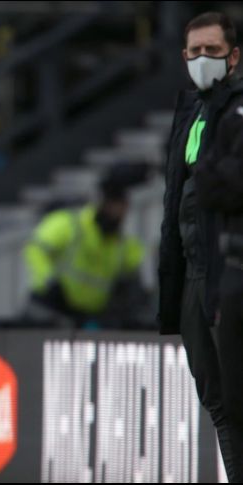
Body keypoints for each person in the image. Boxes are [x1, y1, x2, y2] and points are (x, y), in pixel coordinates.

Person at [158, 11, 243, 481]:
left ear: (234, 57)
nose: (203, 60)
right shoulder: (189, 111)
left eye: (213, 51)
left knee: (236, 398)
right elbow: (177, 196)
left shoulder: (236, 112)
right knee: (214, 398)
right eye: (196, 52)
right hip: (191, 272)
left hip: (228, 269)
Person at [24, 165, 145, 328]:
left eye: (121, 207)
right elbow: (36, 248)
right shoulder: (70, 224)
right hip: (53, 308)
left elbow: (134, 280)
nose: (116, 212)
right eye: (112, 205)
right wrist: (49, 281)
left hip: (88, 318)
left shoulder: (124, 246)